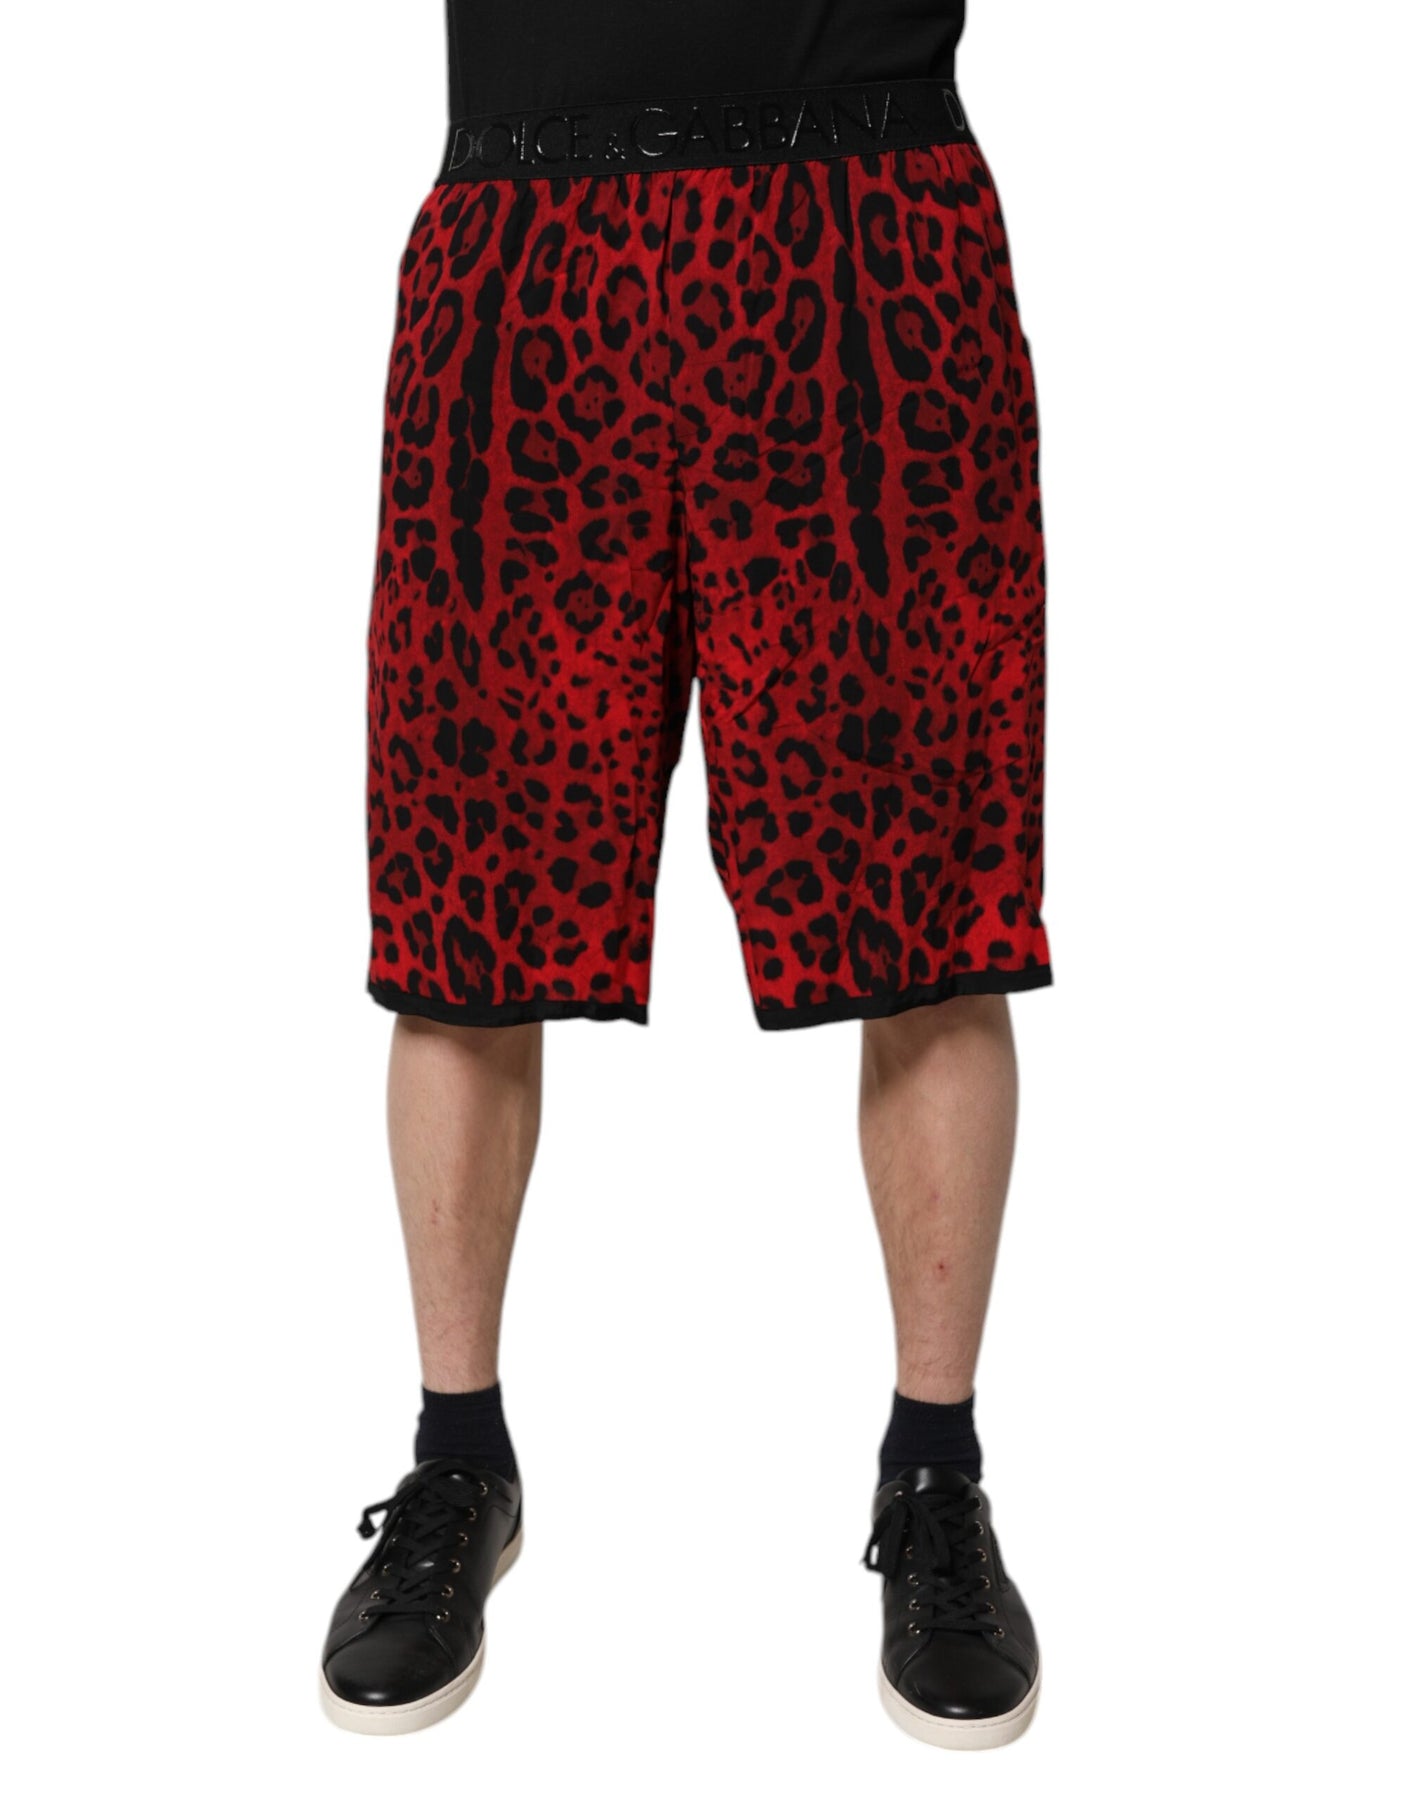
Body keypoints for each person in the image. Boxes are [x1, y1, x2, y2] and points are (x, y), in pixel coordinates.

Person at [321, 0, 1050, 1749]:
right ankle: (458, 1458)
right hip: (526, 228)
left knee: (928, 913)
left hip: (866, 221)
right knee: (466, 906)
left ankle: (936, 1474)